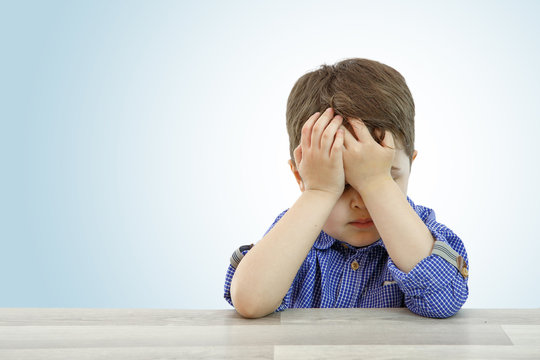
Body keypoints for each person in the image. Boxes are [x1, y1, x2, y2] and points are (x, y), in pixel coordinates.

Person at [224, 58, 469, 319]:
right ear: (300, 175)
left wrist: (377, 184)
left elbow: (443, 300)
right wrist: (319, 193)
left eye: (388, 176)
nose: (361, 201)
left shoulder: (425, 234)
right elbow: (250, 302)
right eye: (341, 186)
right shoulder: (291, 235)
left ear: (410, 165)